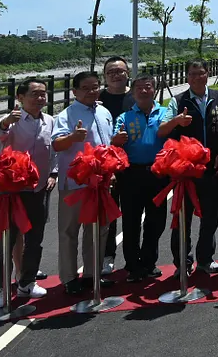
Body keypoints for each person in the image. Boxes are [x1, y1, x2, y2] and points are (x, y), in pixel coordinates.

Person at [115, 74, 190, 282]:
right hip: (131, 175)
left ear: (154, 90)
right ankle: (132, 265)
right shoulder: (124, 117)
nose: (143, 90)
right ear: (132, 91)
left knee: (156, 221)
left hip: (159, 173)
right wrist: (116, 140)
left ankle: (149, 262)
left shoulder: (165, 114)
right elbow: (115, 142)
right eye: (139, 87)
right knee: (131, 221)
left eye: (147, 87)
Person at [0, 78, 56, 307]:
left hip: (38, 189)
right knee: (6, 240)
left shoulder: (50, 121)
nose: (40, 99)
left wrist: (53, 174)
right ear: (20, 97)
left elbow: (52, 151)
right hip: (13, 191)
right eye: (35, 94)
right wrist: (7, 121)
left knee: (35, 238)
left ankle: (27, 282)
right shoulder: (13, 120)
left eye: (43, 94)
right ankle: (2, 288)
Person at [52, 71, 118, 295]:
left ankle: (92, 273)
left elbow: (108, 144)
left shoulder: (104, 111)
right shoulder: (67, 115)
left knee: (98, 230)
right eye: (86, 88)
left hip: (100, 184)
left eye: (95, 86)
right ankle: (69, 278)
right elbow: (56, 145)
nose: (92, 91)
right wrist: (72, 138)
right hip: (75, 184)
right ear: (75, 91)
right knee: (70, 231)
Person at [166, 59, 218, 275]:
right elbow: (164, 129)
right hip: (186, 171)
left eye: (201, 73)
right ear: (187, 77)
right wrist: (176, 122)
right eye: (192, 74)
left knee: (210, 216)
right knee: (183, 218)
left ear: (208, 74)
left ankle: (205, 258)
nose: (197, 77)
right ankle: (182, 262)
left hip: (211, 167)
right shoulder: (178, 101)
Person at [98, 56, 133, 275]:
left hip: (133, 164)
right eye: (111, 72)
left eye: (120, 71)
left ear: (127, 73)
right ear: (105, 76)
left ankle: (133, 257)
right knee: (107, 214)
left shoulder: (136, 96)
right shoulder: (98, 99)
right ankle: (106, 256)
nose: (116, 75)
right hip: (105, 166)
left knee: (132, 213)